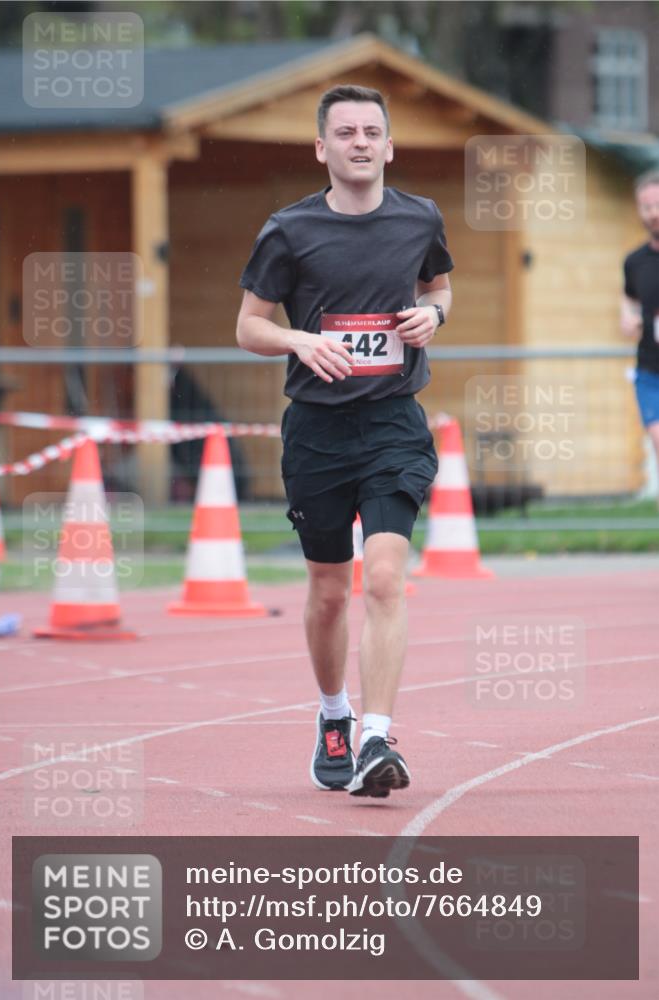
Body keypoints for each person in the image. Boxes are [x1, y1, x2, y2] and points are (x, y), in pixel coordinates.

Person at [236, 84, 453, 798]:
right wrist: (298, 337)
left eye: (371, 131)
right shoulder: (289, 230)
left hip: (393, 424)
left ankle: (376, 737)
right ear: (322, 148)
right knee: (330, 591)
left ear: (389, 146)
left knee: (386, 577)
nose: (359, 142)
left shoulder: (419, 218)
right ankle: (334, 715)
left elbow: (441, 288)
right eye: (345, 132)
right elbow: (248, 327)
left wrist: (431, 315)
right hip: (317, 433)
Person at [621, 170, 659, 501]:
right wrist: (628, 317)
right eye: (646, 206)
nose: (653, 212)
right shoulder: (634, 262)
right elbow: (630, 298)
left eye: (657, 204)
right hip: (650, 369)